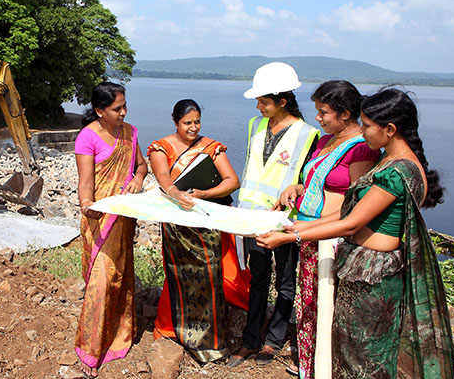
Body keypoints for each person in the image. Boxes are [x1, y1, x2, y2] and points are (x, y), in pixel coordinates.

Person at [257, 88, 454, 378]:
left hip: (374, 273)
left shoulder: (397, 173)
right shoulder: (392, 163)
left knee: (364, 356)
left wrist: (291, 236)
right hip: (364, 268)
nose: (362, 133)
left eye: (366, 125)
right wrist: (303, 226)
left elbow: (352, 222)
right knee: (351, 349)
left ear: (389, 130)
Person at [272, 80, 379, 377]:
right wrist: (296, 187)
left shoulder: (360, 150)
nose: (317, 117)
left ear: (345, 114)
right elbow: (317, 181)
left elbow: (352, 202)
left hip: (332, 239)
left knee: (328, 304)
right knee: (309, 303)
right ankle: (309, 364)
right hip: (308, 233)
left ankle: (327, 367)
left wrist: (301, 230)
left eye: (323, 112)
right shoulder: (325, 140)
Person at [228, 62, 319, 368]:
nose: (258, 106)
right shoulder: (256, 125)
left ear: (282, 101)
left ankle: (274, 340)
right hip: (254, 218)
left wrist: (298, 186)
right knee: (258, 278)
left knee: (285, 282)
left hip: (285, 221)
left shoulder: (308, 134)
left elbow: (311, 179)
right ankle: (250, 339)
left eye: (264, 101)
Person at [148, 99, 241, 363]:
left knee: (210, 274)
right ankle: (176, 330)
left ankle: (210, 340)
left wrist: (204, 194)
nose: (193, 127)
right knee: (179, 274)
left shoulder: (211, 147)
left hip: (205, 221)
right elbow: (163, 178)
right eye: (187, 123)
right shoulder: (161, 147)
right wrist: (177, 194)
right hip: (176, 222)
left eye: (197, 122)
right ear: (175, 121)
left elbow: (232, 181)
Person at [74, 81, 148, 378]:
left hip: (124, 218)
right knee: (101, 282)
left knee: (121, 276)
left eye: (125, 106)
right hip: (100, 220)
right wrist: (87, 204)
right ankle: (90, 351)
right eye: (117, 108)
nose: (123, 112)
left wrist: (138, 180)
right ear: (99, 111)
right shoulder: (87, 138)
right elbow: (86, 184)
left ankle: (119, 337)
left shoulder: (130, 133)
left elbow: (141, 166)